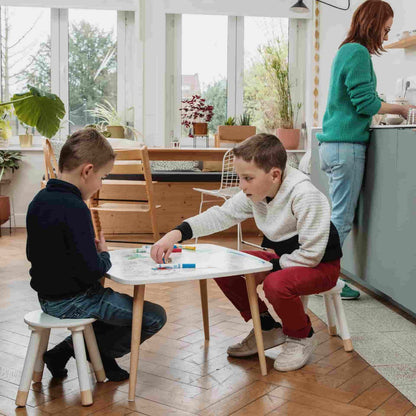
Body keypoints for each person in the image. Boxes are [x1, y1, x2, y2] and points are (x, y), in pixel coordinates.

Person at [151, 134, 342, 372]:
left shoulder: (305, 195)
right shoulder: (256, 193)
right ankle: (266, 328)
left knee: (275, 284)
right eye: (240, 177)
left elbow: (311, 255)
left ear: (274, 175)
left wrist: (268, 268)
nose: (241, 186)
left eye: (247, 178)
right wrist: (176, 234)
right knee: (224, 264)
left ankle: (301, 336)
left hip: (320, 265)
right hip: (284, 260)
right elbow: (220, 215)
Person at [26, 128, 166, 381]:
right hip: (76, 300)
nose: (101, 184)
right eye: (103, 177)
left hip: (46, 298)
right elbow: (92, 270)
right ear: (87, 171)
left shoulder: (39, 200)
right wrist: (104, 255)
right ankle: (98, 353)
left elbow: (36, 254)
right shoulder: (76, 207)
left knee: (113, 306)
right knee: (154, 317)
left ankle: (66, 352)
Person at [318, 0, 415, 300]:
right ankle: (322, 280)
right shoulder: (358, 53)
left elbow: (357, 99)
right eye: (385, 30)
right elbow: (366, 104)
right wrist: (402, 106)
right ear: (373, 23)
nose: (386, 37)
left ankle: (321, 276)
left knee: (336, 216)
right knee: (341, 220)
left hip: (333, 145)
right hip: (346, 147)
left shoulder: (345, 51)